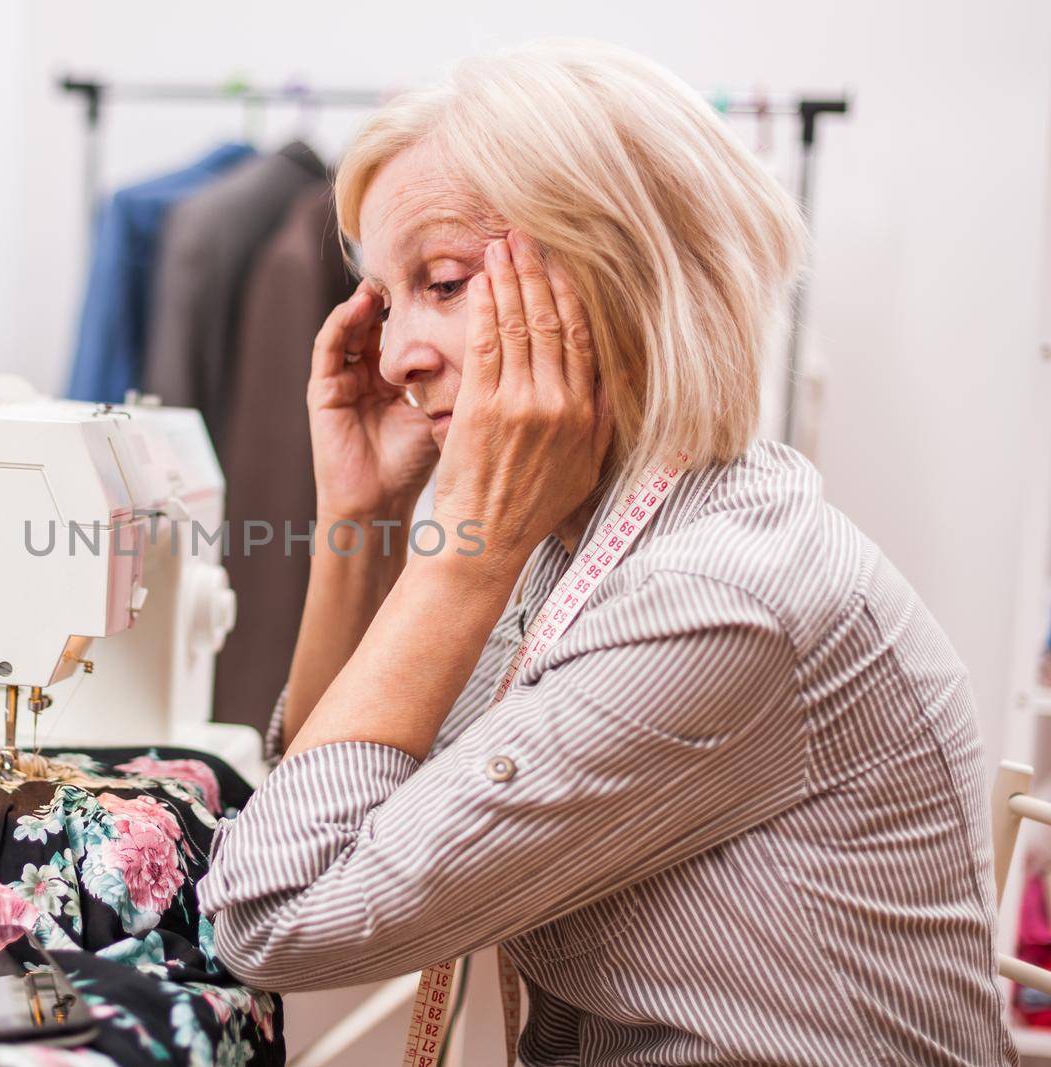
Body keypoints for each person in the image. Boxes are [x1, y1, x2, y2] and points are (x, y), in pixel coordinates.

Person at [196, 39, 1015, 1066]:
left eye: (442, 283)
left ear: (617, 281)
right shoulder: (582, 542)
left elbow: (275, 916)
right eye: (386, 295)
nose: (396, 353)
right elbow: (325, 796)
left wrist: (463, 554)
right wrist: (358, 521)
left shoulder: (717, 597)